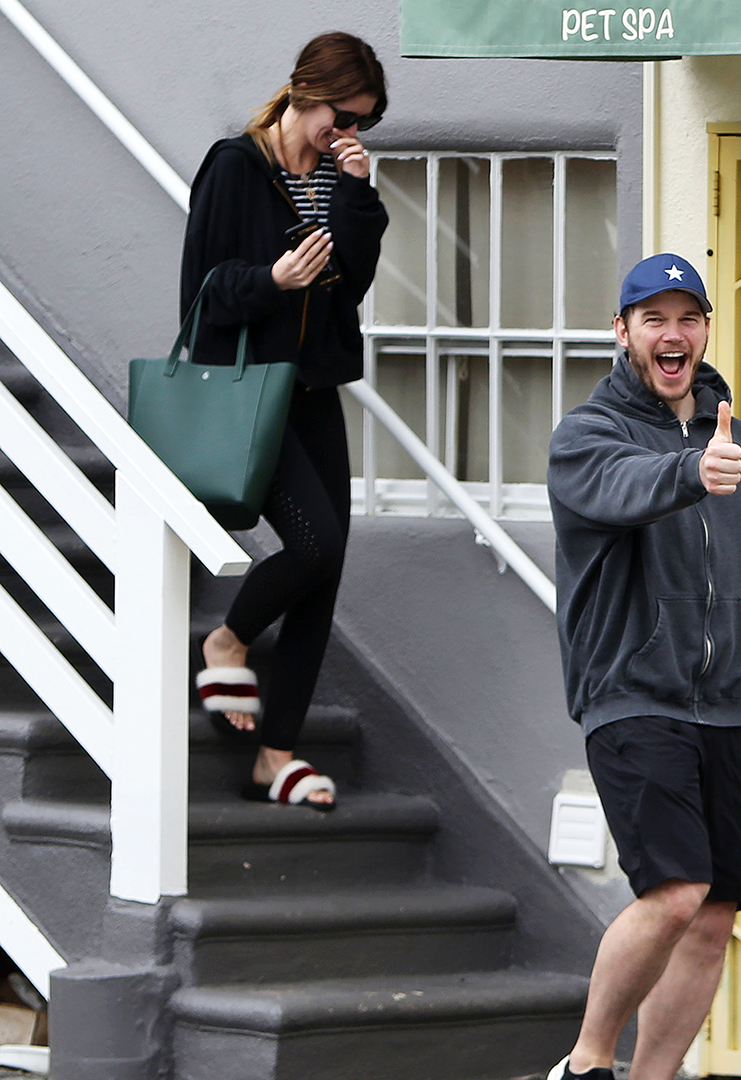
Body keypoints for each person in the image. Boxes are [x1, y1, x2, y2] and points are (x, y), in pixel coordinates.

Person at [544, 254, 741, 1080]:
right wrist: (694, 471)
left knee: (714, 912)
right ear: (622, 332)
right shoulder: (587, 437)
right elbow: (619, 494)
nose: (672, 335)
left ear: (703, 330)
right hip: (633, 692)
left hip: (735, 704)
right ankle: (585, 1065)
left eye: (687, 318)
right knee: (672, 892)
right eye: (651, 319)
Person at [183, 32, 388, 809]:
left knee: (327, 568)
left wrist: (358, 194)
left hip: (312, 389)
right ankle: (227, 639)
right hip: (249, 391)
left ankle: (276, 753)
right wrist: (270, 280)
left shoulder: (336, 172)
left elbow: (352, 282)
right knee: (314, 542)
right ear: (307, 92)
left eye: (363, 122)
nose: (349, 132)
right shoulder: (236, 166)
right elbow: (202, 289)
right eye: (342, 116)